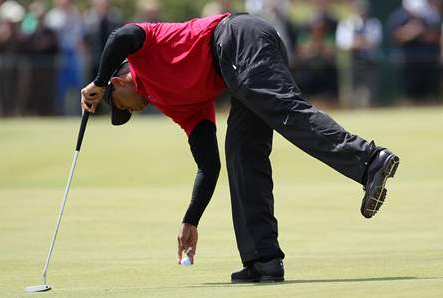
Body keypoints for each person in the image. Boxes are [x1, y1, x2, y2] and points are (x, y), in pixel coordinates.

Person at [80, 13, 400, 283]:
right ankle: (263, 259)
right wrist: (191, 220)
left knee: (285, 111)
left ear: (118, 83)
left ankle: (369, 159)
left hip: (237, 39)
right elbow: (209, 166)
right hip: (238, 64)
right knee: (241, 153)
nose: (127, 112)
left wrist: (97, 79)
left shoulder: (140, 51)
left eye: (119, 106)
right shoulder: (174, 104)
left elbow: (122, 34)